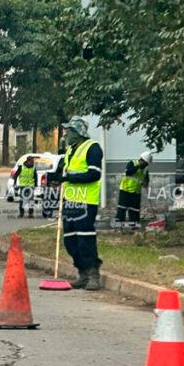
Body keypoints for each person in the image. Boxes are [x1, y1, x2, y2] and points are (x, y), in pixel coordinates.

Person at [51, 118, 104, 290]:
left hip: (85, 201)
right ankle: (82, 272)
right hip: (70, 201)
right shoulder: (70, 151)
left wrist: (69, 178)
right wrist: (57, 178)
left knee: (85, 239)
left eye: (69, 131)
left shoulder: (92, 148)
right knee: (70, 240)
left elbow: (94, 175)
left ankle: (93, 274)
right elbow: (66, 172)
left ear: (78, 132)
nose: (66, 134)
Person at [115, 150, 152, 228]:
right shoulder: (132, 163)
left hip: (136, 193)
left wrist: (145, 184)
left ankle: (135, 228)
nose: (145, 166)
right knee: (122, 210)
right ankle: (118, 227)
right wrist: (138, 166)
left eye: (147, 164)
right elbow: (128, 172)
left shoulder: (145, 170)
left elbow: (146, 180)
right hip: (125, 190)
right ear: (142, 160)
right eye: (145, 163)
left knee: (135, 211)